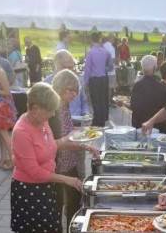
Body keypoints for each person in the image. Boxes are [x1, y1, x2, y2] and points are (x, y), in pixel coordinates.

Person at [10, 82, 82, 233]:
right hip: (29, 192)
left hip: (46, 186)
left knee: (52, 226)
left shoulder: (42, 121)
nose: (53, 114)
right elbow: (34, 172)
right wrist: (66, 179)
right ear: (35, 108)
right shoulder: (21, 132)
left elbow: (50, 145)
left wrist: (77, 142)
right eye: (50, 110)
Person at [49, 69, 99, 228]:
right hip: (59, 165)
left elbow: (69, 134)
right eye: (71, 90)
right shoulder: (54, 110)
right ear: (61, 88)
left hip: (68, 163)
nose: (74, 95)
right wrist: (83, 144)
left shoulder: (64, 106)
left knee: (73, 203)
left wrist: (84, 143)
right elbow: (59, 141)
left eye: (76, 91)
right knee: (60, 205)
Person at [129, 55, 166, 133]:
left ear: (142, 68)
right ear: (155, 68)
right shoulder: (163, 87)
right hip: (159, 129)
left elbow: (133, 106)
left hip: (141, 127)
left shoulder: (137, 86)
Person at [44, 50, 89, 117]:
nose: (69, 71)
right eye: (66, 67)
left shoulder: (77, 80)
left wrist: (86, 114)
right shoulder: (46, 84)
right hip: (58, 124)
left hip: (79, 122)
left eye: (71, 67)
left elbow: (84, 101)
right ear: (57, 65)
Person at [84, 32, 112, 126]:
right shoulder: (105, 51)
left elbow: (87, 68)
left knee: (96, 100)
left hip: (94, 79)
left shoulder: (90, 52)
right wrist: (104, 68)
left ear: (91, 40)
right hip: (104, 78)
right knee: (103, 99)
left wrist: (86, 81)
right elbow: (111, 67)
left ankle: (97, 120)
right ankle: (103, 119)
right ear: (99, 40)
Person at [103, 35, 117, 105]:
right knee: (110, 86)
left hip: (103, 69)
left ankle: (107, 100)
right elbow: (113, 59)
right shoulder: (112, 48)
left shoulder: (103, 46)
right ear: (111, 39)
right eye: (114, 39)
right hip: (110, 70)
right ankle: (108, 101)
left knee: (106, 86)